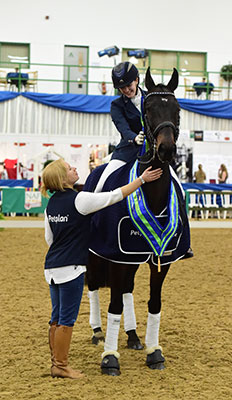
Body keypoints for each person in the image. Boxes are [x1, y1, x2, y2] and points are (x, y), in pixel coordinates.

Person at [41, 158, 162, 379]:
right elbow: (115, 195)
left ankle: (55, 362)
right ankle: (61, 365)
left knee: (56, 318)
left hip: (52, 267)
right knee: (67, 320)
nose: (74, 168)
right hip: (71, 268)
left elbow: (50, 239)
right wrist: (142, 179)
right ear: (62, 178)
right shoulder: (81, 199)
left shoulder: (51, 205)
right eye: (69, 168)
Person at [94, 61, 146, 192]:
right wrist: (134, 138)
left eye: (129, 85)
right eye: (122, 88)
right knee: (101, 184)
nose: (127, 90)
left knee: (175, 183)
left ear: (136, 80)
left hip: (151, 151)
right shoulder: (116, 105)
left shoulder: (151, 97)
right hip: (127, 150)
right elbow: (123, 127)